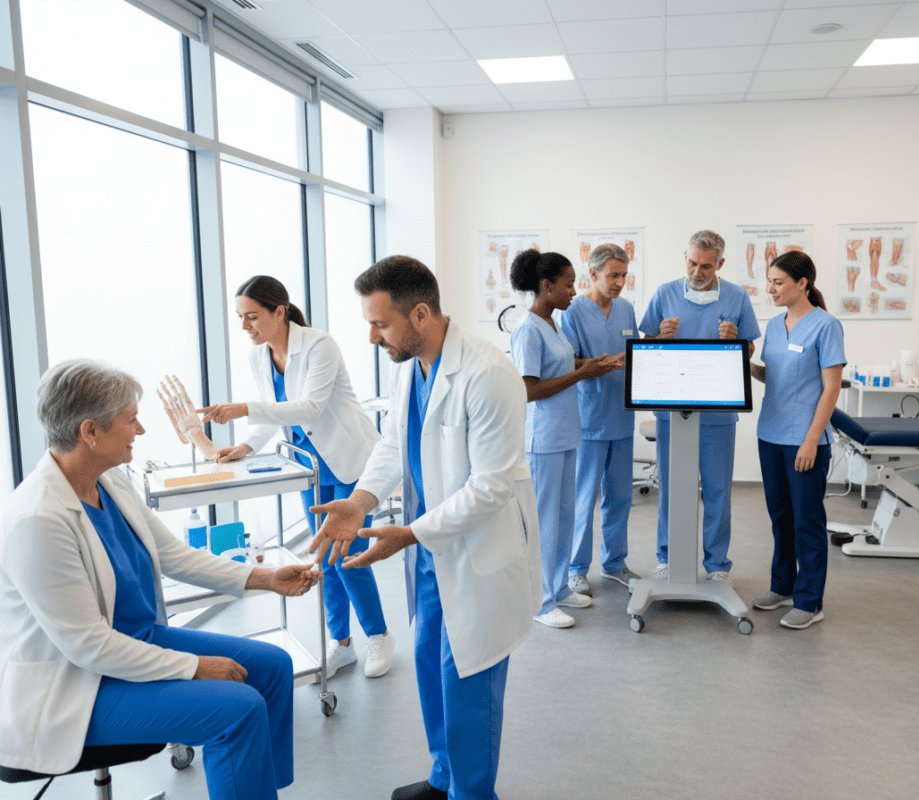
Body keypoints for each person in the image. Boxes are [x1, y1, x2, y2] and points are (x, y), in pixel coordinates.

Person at [0, 360, 320, 800]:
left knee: (272, 667)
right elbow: (88, 646)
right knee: (238, 710)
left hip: (139, 642)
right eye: (130, 420)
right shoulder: (36, 520)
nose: (141, 431)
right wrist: (196, 667)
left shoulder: (109, 480)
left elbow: (172, 555)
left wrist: (265, 577)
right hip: (75, 686)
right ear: (90, 432)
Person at [309, 256, 542, 800]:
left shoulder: (488, 373)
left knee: (469, 688)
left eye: (380, 324)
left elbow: (491, 486)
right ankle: (444, 778)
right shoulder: (406, 367)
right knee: (432, 673)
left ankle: (472, 793)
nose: (371, 337)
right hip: (435, 557)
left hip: (475, 554)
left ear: (420, 313)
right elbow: (394, 443)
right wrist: (360, 500)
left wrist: (409, 534)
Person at [199, 275, 394, 679]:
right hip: (312, 468)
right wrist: (246, 447)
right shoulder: (259, 357)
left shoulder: (320, 345)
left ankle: (379, 635)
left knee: (348, 556)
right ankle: (341, 642)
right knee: (323, 556)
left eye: (252, 316)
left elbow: (308, 409)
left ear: (279, 311)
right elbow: (273, 411)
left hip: (352, 462)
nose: (244, 326)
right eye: (240, 317)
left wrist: (242, 409)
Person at [640, 230, 761, 584]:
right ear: (685, 257)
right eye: (692, 262)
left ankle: (717, 565)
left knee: (718, 489)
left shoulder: (737, 297)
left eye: (706, 266)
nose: (697, 271)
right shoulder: (665, 293)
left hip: (717, 412)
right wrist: (659, 337)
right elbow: (647, 346)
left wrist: (736, 341)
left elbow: (749, 349)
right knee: (671, 486)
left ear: (719, 264)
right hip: (671, 411)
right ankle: (668, 557)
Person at [509, 249, 621, 628]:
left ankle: (557, 589)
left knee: (564, 516)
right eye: (569, 284)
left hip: (567, 433)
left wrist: (593, 364)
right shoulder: (527, 328)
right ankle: (540, 602)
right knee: (543, 522)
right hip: (542, 439)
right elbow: (529, 388)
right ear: (547, 286)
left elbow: (558, 363)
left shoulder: (551, 324)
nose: (574, 291)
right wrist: (582, 374)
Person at [750, 251, 845, 630]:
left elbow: (830, 388)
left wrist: (811, 440)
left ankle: (810, 600)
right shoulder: (774, 326)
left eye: (778, 282)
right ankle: (783, 586)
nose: (769, 289)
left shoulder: (826, 325)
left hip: (804, 441)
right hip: (770, 434)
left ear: (802, 284)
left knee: (807, 520)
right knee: (780, 517)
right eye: (769, 281)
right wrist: (744, 362)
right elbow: (773, 377)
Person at [560, 243, 640, 596]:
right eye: (613, 275)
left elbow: (635, 354)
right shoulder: (572, 312)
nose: (620, 282)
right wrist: (603, 364)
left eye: (624, 275)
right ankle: (576, 568)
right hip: (589, 419)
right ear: (592, 274)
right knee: (583, 497)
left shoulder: (626, 310)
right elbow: (568, 362)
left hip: (622, 418)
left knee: (620, 496)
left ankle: (614, 563)